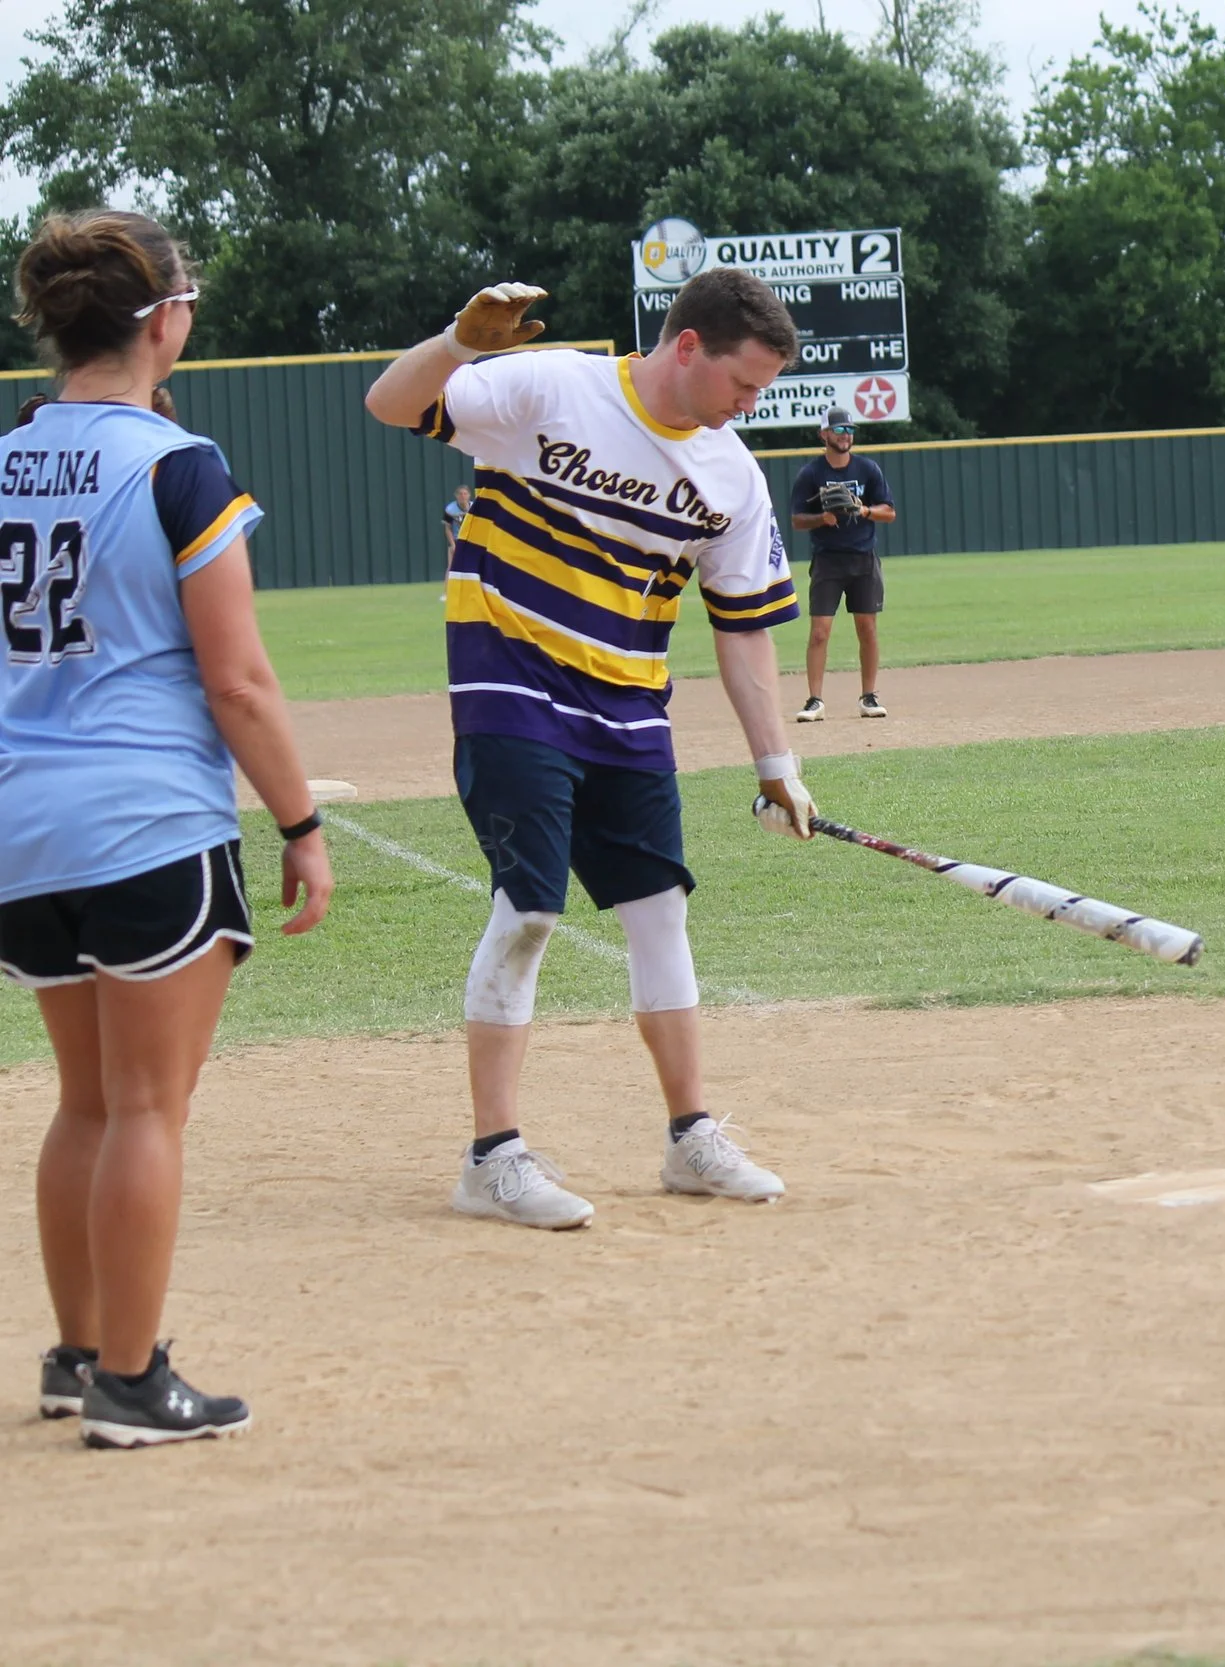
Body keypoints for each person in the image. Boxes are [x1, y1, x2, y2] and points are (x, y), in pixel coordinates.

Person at [362, 268, 819, 1230]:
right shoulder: (553, 385)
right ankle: (492, 1158)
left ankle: (690, 1136)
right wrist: (460, 343)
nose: (750, 405)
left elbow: (744, 626)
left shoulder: (731, 473)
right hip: (512, 685)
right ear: (686, 345)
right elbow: (389, 403)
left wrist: (777, 762)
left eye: (762, 391)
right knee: (528, 909)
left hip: (628, 710)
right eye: (743, 384)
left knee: (659, 913)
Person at [3, 210, 334, 1447]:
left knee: (85, 1100)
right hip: (143, 818)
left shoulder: (8, 453)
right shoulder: (177, 463)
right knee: (147, 1108)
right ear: (163, 319)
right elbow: (237, 679)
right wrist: (299, 819)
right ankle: (133, 1385)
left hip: (21, 825)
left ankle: (80, 1350)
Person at [789, 404, 896, 720]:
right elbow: (796, 519)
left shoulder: (867, 469)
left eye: (849, 429)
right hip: (828, 562)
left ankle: (868, 697)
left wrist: (864, 511)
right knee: (820, 630)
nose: (846, 435)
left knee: (867, 628)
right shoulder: (811, 473)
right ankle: (815, 700)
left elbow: (889, 512)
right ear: (824, 434)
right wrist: (821, 518)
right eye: (839, 429)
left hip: (863, 558)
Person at [440, 482, 472, 598]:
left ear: (469, 495)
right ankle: (446, 593)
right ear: (456, 495)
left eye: (465, 493)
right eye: (460, 494)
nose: (463, 496)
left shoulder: (474, 507)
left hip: (471, 541)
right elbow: (447, 528)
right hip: (457, 539)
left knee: (472, 567)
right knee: (452, 566)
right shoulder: (450, 509)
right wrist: (452, 544)